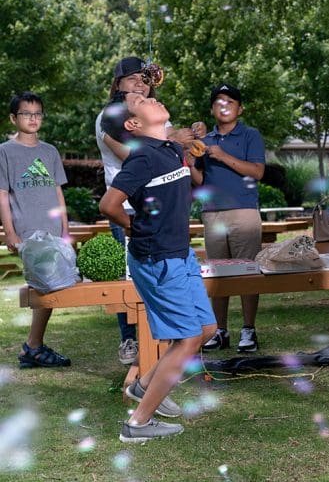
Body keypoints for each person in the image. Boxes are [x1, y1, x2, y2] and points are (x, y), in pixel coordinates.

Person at [99, 91, 216, 443]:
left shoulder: (166, 149)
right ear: (134, 124)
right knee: (187, 338)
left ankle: (144, 386)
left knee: (206, 330)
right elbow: (109, 204)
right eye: (142, 102)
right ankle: (138, 424)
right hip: (157, 258)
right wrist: (135, 228)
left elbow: (188, 165)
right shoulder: (142, 158)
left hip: (180, 254)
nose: (150, 98)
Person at [96, 56, 200, 365]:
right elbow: (136, 155)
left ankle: (170, 345)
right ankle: (132, 341)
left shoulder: (151, 110)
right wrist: (174, 141)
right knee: (134, 281)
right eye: (132, 79)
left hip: (164, 209)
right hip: (127, 206)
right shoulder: (110, 114)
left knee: (165, 280)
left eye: (144, 78)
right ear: (117, 85)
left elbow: (169, 154)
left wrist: (189, 139)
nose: (140, 82)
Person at [188, 84, 265, 353]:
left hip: (243, 212)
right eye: (219, 102)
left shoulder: (250, 135)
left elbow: (257, 172)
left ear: (239, 108)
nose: (224, 106)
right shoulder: (204, 140)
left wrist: (223, 156)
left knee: (247, 272)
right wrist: (189, 159)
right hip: (212, 213)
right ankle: (220, 330)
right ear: (212, 109)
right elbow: (199, 182)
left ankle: (248, 329)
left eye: (230, 102)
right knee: (217, 274)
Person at [0, 92, 72, 369]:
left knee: (48, 287)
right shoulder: (5, 151)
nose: (33, 118)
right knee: (45, 286)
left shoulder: (50, 151)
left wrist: (65, 228)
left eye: (37, 113)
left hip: (53, 231)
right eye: (26, 113)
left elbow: (58, 191)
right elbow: (2, 194)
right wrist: (10, 232)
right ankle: (33, 347)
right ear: (13, 118)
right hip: (27, 232)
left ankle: (33, 347)